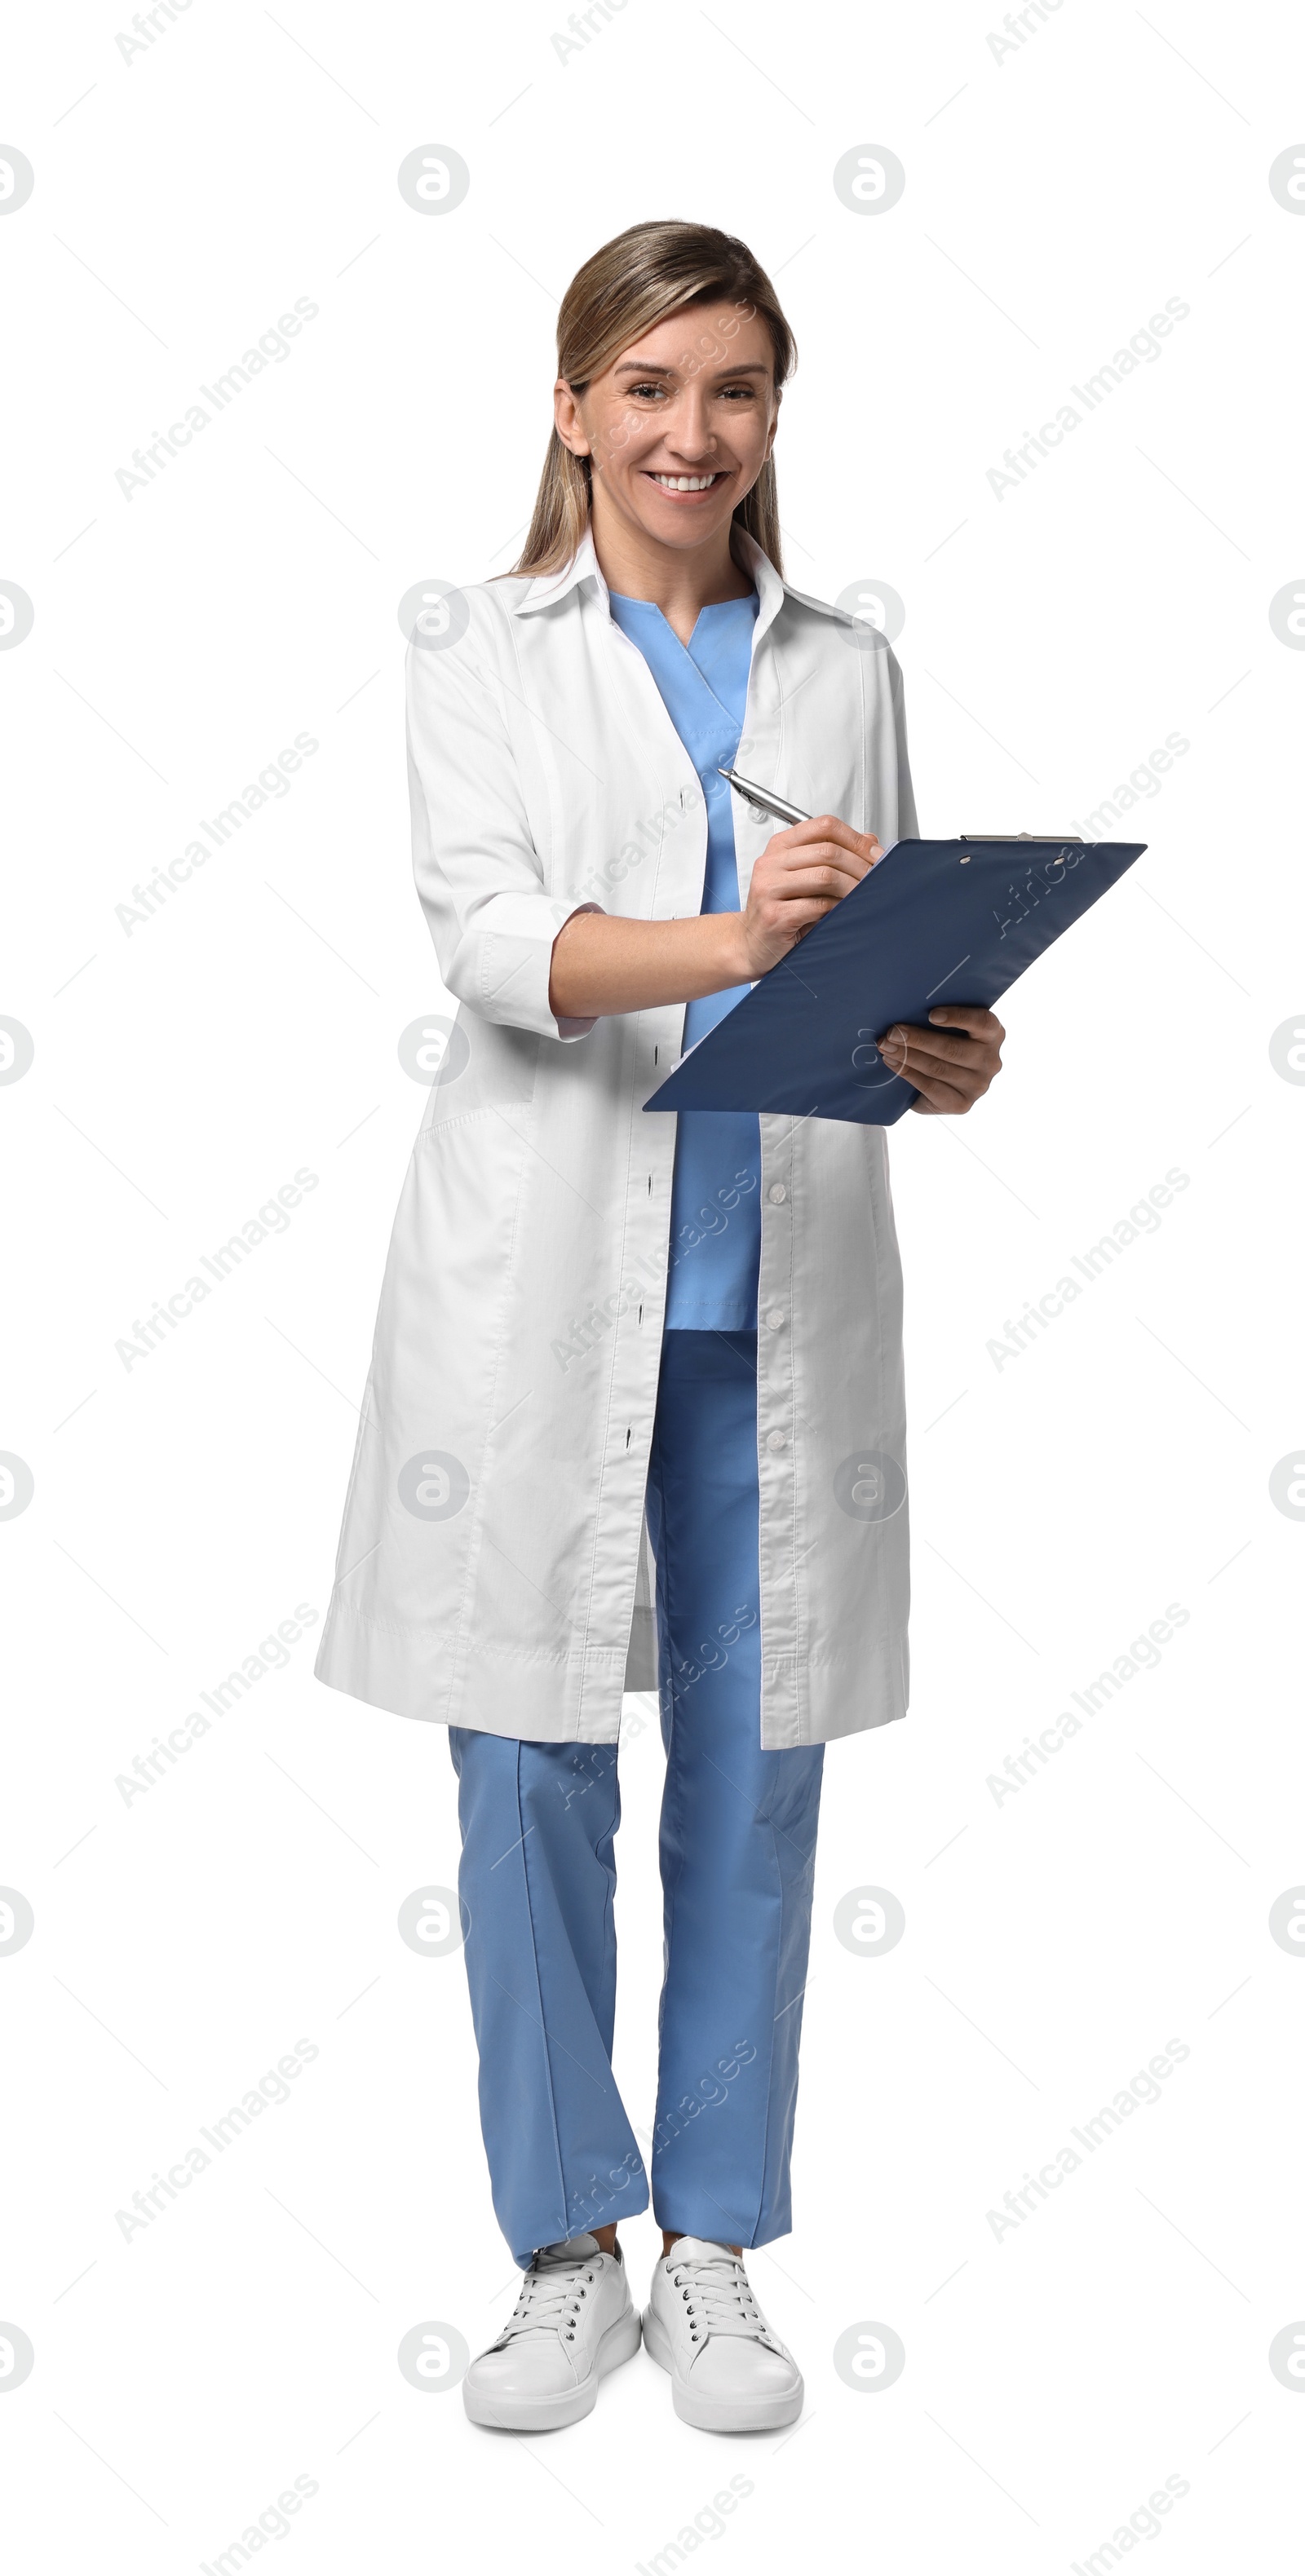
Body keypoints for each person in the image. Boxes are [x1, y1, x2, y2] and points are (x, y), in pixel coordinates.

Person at [315, 219, 1004, 2435]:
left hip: (773, 1300)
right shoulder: (482, 652)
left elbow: (871, 963)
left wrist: (941, 1042)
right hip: (538, 1301)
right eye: (647, 386)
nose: (689, 432)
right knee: (523, 1770)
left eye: (732, 391)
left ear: (774, 418)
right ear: (572, 406)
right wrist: (730, 935)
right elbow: (497, 943)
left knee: (759, 1779)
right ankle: (559, 2244)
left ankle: (713, 2239)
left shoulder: (846, 665)